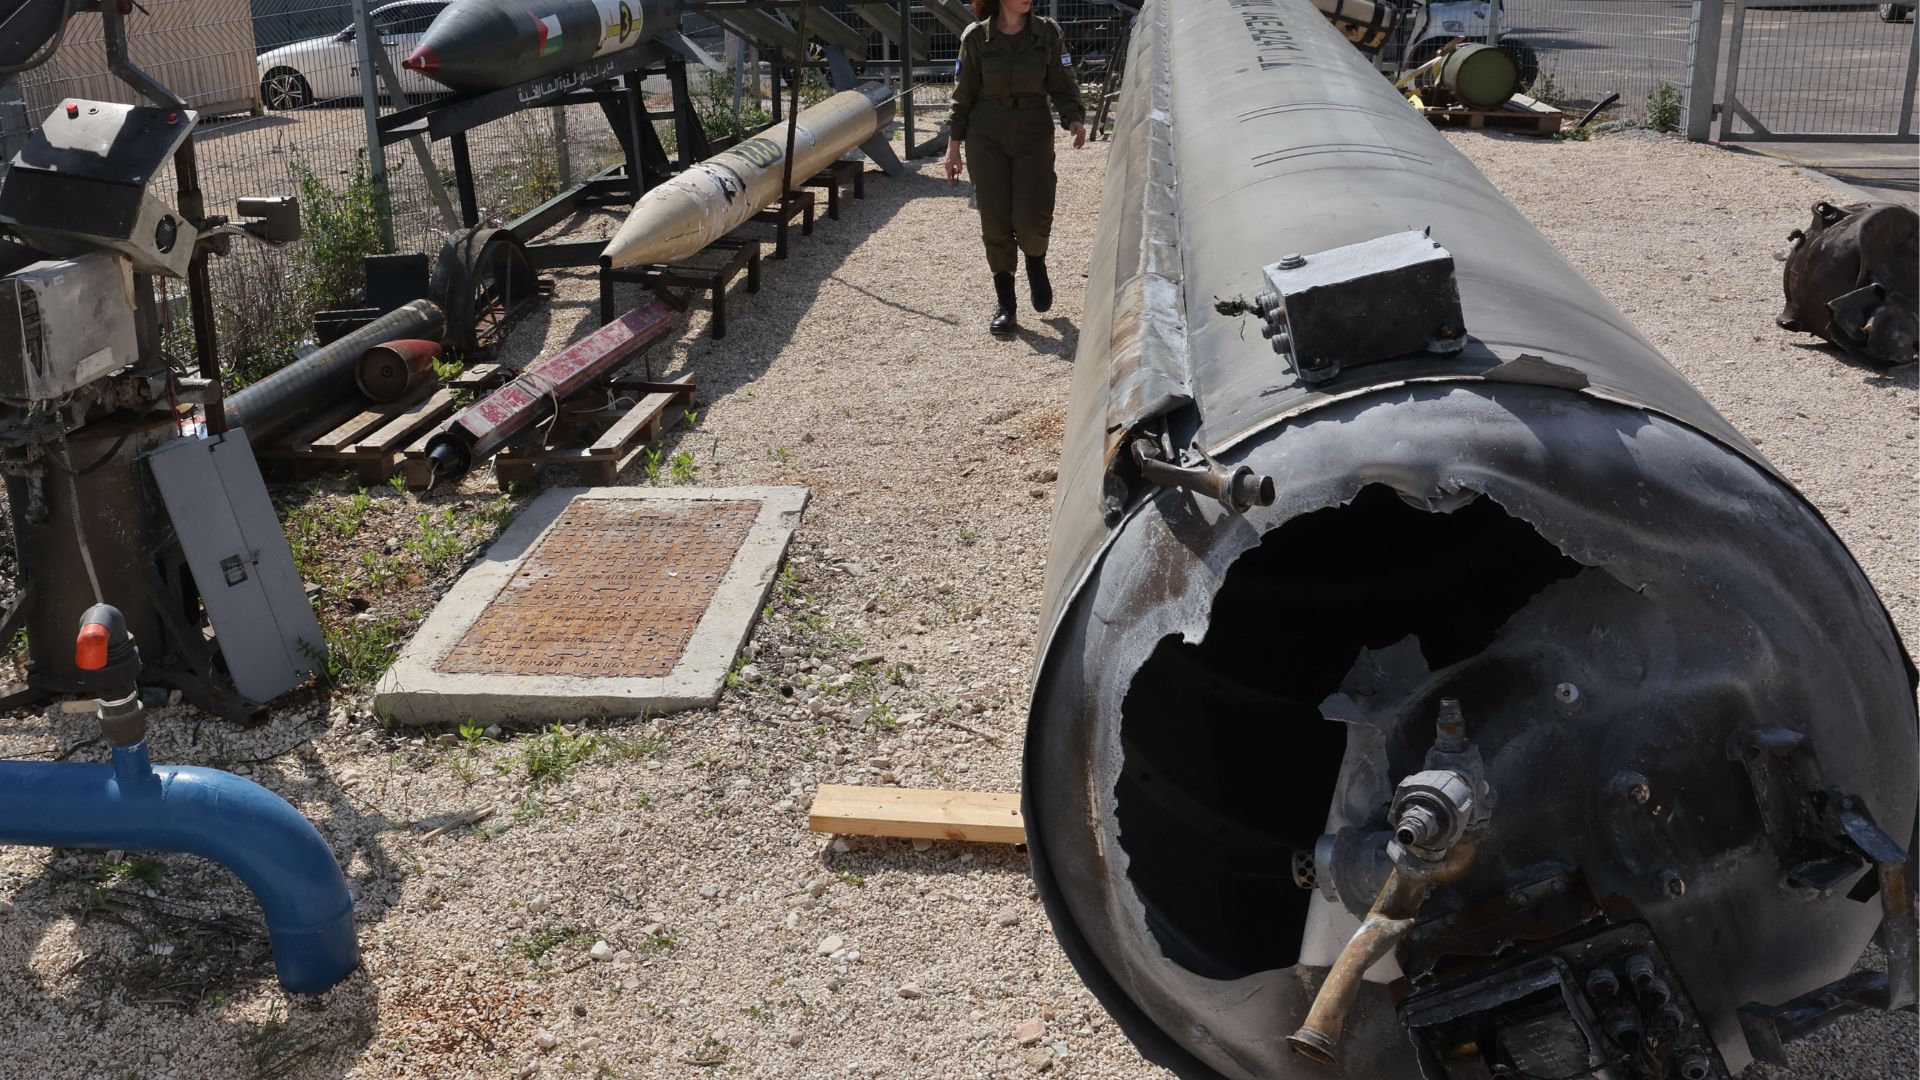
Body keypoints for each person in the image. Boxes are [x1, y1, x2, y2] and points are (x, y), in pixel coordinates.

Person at [945, 0, 1087, 336]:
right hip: (986, 135)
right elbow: (962, 95)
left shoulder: (1047, 33)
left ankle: (1035, 260)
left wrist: (1075, 119)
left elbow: (1062, 83)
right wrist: (954, 147)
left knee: (1033, 210)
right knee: (994, 216)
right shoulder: (976, 38)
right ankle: (1006, 305)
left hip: (1033, 132)